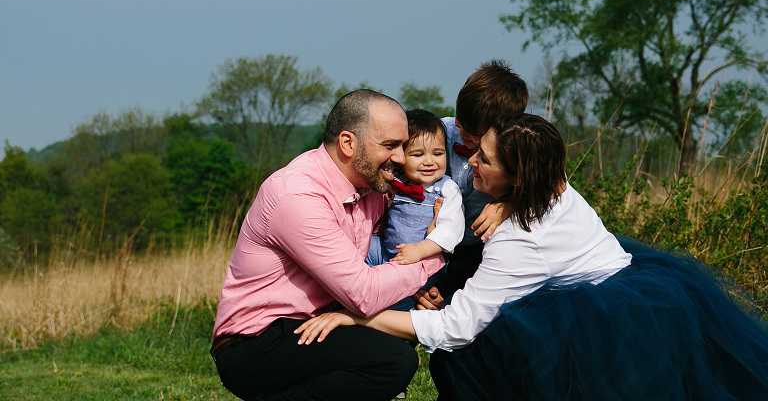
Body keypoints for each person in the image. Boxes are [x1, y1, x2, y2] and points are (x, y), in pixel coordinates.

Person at [295, 113, 768, 400]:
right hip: (625, 283)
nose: (470, 164)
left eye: (485, 160)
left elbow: (454, 329)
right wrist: (507, 201)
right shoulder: (553, 184)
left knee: (465, 361)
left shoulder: (520, 239)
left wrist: (360, 316)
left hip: (609, 322)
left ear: (519, 177)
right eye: (476, 151)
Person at [211, 90, 445, 401]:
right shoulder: (298, 195)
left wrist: (417, 290)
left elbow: (390, 248)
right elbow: (363, 294)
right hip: (254, 341)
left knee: (394, 342)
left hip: (312, 327)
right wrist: (433, 255)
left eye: (403, 145)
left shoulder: (371, 187)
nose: (401, 158)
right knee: (390, 360)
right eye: (390, 145)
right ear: (348, 143)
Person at [425, 60, 529, 307]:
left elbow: (548, 186)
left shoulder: (520, 148)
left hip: (477, 249)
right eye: (460, 123)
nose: (462, 134)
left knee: (459, 304)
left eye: (473, 134)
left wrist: (507, 204)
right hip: (429, 239)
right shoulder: (439, 132)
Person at [365, 109, 464, 311]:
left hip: (421, 262)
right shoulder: (395, 182)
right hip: (387, 252)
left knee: (402, 295)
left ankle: (394, 315)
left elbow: (450, 232)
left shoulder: (446, 189)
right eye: (418, 154)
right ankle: (354, 292)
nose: (429, 161)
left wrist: (418, 251)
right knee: (361, 245)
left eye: (438, 153)